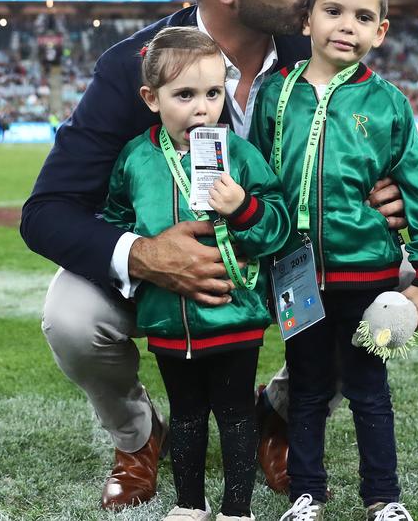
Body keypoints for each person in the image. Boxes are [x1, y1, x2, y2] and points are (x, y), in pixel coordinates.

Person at [20, 0, 406, 510]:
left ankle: (280, 417)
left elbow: (379, 150)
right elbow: (45, 212)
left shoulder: (324, 50)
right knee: (70, 317)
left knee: (392, 287)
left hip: (288, 248)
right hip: (172, 268)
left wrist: (389, 196)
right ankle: (139, 436)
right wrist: (144, 254)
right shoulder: (134, 66)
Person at [249, 0, 418, 521]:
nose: (347, 26)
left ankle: (383, 499)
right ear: (308, 17)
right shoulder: (274, 94)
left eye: (364, 17)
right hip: (298, 281)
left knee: (369, 388)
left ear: (381, 31)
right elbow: (260, 181)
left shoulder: (389, 105)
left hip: (370, 279)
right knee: (309, 389)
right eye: (335, 11)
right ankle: (306, 495)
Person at [103, 26, 290, 521]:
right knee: (185, 418)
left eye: (212, 93)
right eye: (184, 95)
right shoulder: (136, 159)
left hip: (235, 318)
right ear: (151, 98)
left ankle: (236, 510)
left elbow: (279, 223)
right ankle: (189, 505)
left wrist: (244, 208)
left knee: (233, 416)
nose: (202, 108)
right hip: (168, 321)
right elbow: (116, 221)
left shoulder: (240, 156)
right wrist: (140, 262)